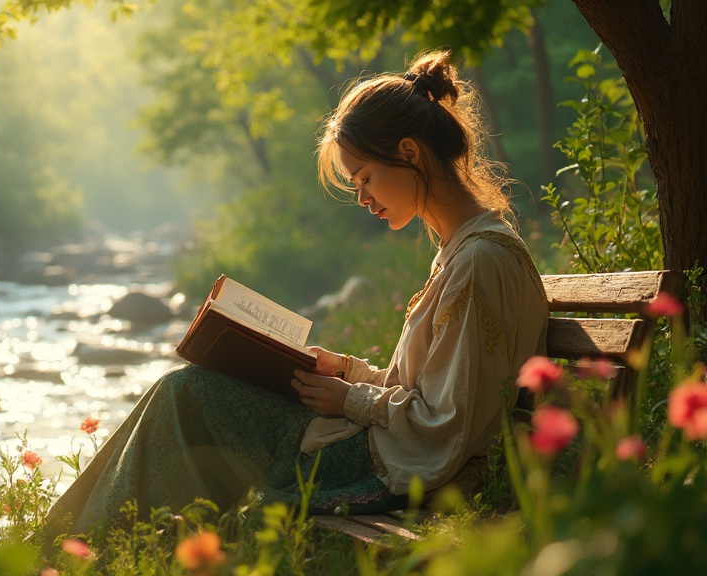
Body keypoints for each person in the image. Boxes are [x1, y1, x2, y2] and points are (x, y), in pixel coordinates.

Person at [45, 50, 548, 537]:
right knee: (180, 392)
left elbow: (447, 427)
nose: (363, 198)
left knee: (186, 395)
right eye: (357, 185)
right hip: (385, 451)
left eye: (365, 178)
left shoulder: (480, 261)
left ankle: (74, 552)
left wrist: (351, 398)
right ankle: (70, 546)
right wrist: (347, 371)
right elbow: (430, 395)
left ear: (409, 152)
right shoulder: (461, 253)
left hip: (391, 471)